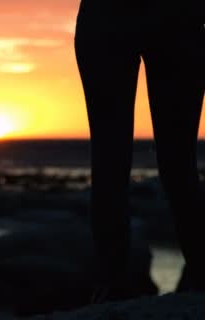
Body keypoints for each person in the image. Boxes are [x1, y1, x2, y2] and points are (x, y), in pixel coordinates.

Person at [74, 0, 205, 302]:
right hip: (140, 19)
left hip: (168, 20)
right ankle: (112, 280)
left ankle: (113, 282)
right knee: (160, 165)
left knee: (134, 163)